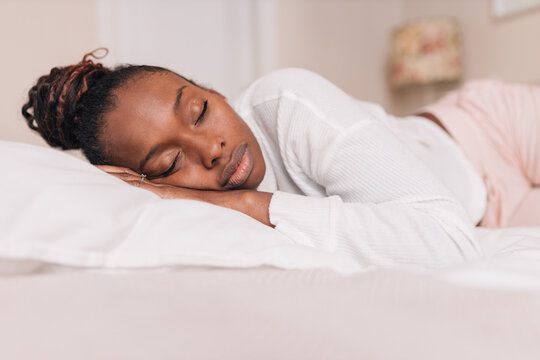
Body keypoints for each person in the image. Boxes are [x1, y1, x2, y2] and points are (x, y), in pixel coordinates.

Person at [21, 49, 539, 268]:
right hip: (492, 214)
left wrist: (250, 202)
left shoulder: (287, 102)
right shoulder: (189, 212)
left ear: (215, 91)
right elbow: (461, 244)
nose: (212, 149)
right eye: (168, 165)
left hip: (486, 132)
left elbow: (445, 242)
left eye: (200, 110)